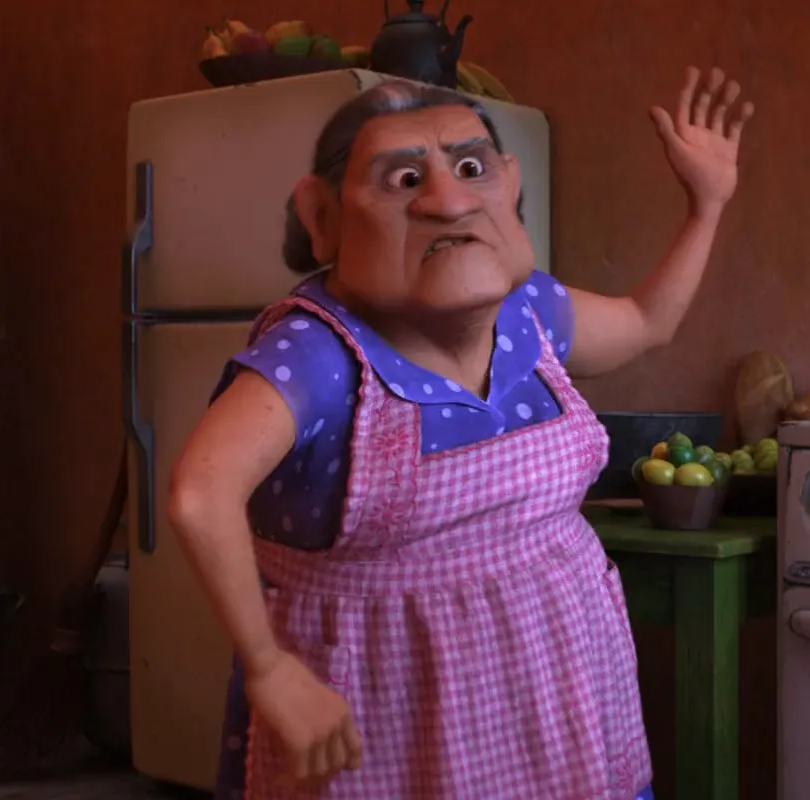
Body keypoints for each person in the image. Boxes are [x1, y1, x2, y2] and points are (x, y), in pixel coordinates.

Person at [167, 66, 753, 799]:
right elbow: (201, 493)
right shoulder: (318, 355)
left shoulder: (529, 310)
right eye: (404, 180)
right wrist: (268, 666)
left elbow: (644, 322)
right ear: (323, 217)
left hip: (560, 690)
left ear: (509, 184)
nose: (448, 202)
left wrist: (706, 205)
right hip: (390, 707)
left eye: (471, 169)